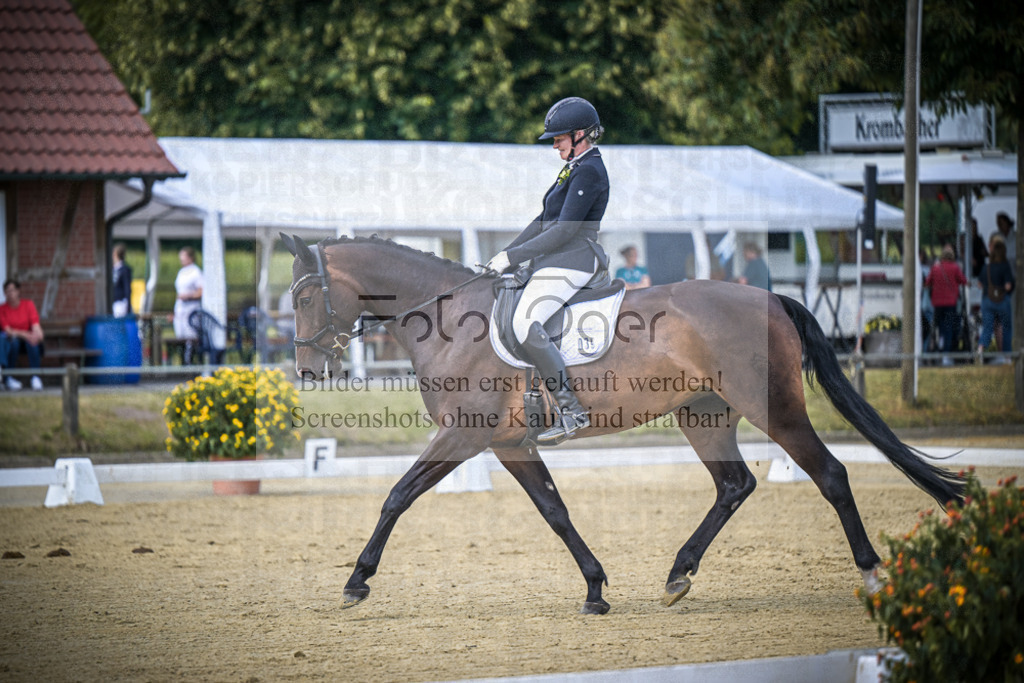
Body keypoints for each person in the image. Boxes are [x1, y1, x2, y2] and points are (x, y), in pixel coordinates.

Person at [486, 96, 609, 444]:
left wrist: (514, 258)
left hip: (575, 260)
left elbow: (565, 230)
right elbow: (543, 222)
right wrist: (506, 253)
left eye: (559, 138)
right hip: (555, 260)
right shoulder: (573, 166)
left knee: (524, 323)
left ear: (580, 135)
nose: (554, 144)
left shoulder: (590, 169)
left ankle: (571, 409)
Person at [924, 244, 967, 365]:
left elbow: (927, 283)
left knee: (937, 328)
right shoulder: (955, 267)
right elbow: (963, 281)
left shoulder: (935, 268)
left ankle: (935, 349)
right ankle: (946, 356)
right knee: (948, 329)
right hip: (950, 303)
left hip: (937, 303)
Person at [0, 279, 44, 390]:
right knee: (13, 343)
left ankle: (35, 377)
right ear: (4, 293)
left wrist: (38, 334)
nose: (10, 293)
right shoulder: (2, 309)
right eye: (7, 291)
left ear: (18, 291)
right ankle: (8, 378)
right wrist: (26, 334)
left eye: (13, 290)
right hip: (12, 340)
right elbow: (8, 330)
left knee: (33, 342)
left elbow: (35, 324)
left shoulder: (28, 304)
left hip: (26, 341)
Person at [977, 234, 1015, 362]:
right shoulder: (1005, 266)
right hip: (1002, 301)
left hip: (987, 300)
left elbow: (979, 284)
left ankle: (980, 349)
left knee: (987, 327)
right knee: (1006, 327)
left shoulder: (986, 267)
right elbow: (1008, 286)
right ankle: (1006, 356)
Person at [173, 246, 204, 364]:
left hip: (191, 310)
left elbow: (202, 291)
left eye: (184, 256)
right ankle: (183, 365)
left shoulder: (196, 272)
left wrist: (189, 296)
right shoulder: (181, 272)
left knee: (191, 339)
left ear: (190, 257)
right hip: (180, 310)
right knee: (180, 339)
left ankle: (191, 365)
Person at [111, 242, 133, 317]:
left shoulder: (124, 269)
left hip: (121, 303)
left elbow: (127, 288)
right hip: (114, 302)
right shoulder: (114, 269)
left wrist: (128, 305)